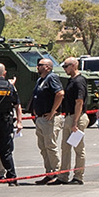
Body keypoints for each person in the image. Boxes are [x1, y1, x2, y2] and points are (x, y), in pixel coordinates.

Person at [28, 56, 64, 185]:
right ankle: (49, 173)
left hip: (50, 119)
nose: (37, 66)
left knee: (51, 146)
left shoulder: (52, 77)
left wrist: (53, 111)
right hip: (40, 119)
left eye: (40, 64)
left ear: (47, 67)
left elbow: (60, 93)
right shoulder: (40, 80)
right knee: (43, 147)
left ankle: (57, 172)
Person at [57, 56, 90, 184]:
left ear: (74, 65)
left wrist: (75, 122)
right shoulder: (71, 80)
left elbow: (79, 102)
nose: (64, 69)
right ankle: (63, 176)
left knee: (78, 148)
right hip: (69, 116)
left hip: (77, 117)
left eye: (66, 66)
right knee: (65, 147)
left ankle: (78, 176)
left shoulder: (79, 81)